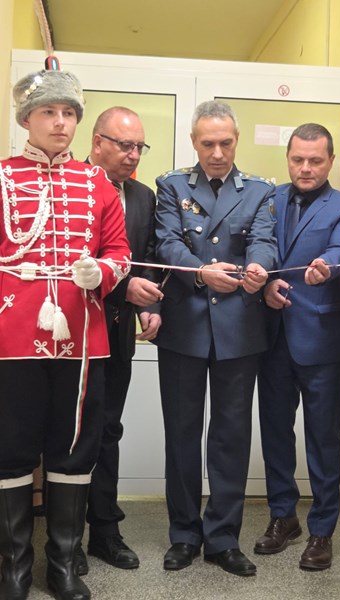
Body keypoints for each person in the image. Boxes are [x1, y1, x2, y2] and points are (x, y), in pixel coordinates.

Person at [0, 67, 131, 600]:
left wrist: (102, 273)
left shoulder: (97, 183)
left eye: (69, 113)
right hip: (11, 337)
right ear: (26, 119)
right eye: (49, 112)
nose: (60, 122)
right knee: (10, 449)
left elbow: (120, 252)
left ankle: (63, 566)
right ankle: (14, 568)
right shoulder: (2, 178)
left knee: (74, 449)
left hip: (81, 338)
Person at [154, 100, 277, 577]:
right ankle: (184, 534)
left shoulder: (260, 190)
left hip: (238, 330)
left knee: (230, 436)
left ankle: (223, 537)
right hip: (184, 326)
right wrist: (200, 271)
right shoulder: (172, 185)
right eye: (208, 143)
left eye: (226, 142)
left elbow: (264, 239)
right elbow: (166, 242)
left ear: (237, 141)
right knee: (181, 434)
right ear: (194, 142)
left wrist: (260, 267)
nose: (218, 153)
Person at [254, 124, 340, 570]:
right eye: (298, 159)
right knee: (275, 433)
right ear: (288, 158)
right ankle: (283, 517)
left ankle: (322, 530)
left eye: (316, 160)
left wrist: (327, 266)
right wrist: (264, 285)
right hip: (272, 337)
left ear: (330, 160)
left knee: (323, 439)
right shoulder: (268, 198)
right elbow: (257, 249)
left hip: (322, 341)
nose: (306, 168)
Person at [76, 107, 162, 573]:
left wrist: (148, 305)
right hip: (73, 331)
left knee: (109, 428)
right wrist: (121, 286)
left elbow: (145, 258)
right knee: (72, 432)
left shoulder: (143, 197)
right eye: (124, 145)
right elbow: (71, 260)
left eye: (138, 147)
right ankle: (67, 538)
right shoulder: (71, 186)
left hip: (118, 332)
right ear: (97, 143)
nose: (133, 155)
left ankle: (104, 531)